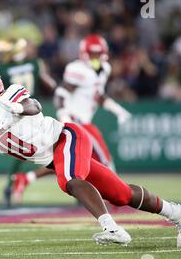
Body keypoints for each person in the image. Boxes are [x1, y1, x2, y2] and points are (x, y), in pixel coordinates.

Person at [0, 67, 181, 248]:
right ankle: (178, 213)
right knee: (121, 194)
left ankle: (111, 228)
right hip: (54, 156)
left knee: (70, 181)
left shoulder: (9, 97)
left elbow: (33, 104)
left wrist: (14, 106)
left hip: (67, 138)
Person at [11, 35, 132, 203]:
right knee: (104, 159)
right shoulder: (77, 69)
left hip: (84, 120)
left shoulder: (104, 68)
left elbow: (98, 95)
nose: (96, 59)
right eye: (92, 55)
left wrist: (118, 110)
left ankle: (27, 178)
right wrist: (64, 115)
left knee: (67, 160)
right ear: (84, 54)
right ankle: (117, 194)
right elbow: (61, 94)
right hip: (76, 121)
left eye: (98, 55)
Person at [0, 37, 57, 206]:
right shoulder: (35, 63)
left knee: (23, 151)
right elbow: (50, 85)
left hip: (13, 113)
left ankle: (11, 185)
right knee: (51, 150)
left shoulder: (1, 69)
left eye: (4, 53)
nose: (1, 56)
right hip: (34, 109)